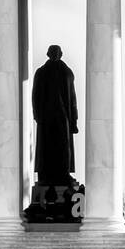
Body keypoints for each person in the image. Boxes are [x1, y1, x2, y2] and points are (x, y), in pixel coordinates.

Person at [31, 46, 79, 186]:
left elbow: (72, 98)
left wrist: (74, 120)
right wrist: (37, 115)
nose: (55, 55)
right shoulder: (41, 72)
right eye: (53, 53)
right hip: (46, 116)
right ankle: (46, 175)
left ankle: (64, 173)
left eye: (57, 53)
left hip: (63, 115)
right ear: (48, 54)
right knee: (47, 146)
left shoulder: (67, 73)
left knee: (63, 146)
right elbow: (36, 95)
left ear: (61, 54)